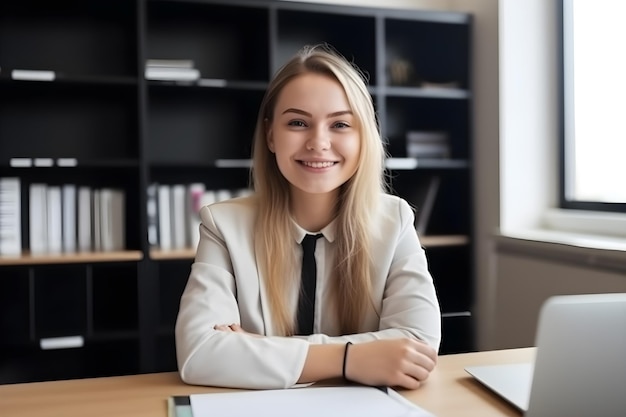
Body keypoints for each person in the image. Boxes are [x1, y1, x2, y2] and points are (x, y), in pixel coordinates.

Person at [175, 44, 441, 390]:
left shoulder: (395, 220)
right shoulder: (223, 225)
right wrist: (351, 359)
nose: (318, 142)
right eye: (298, 122)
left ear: (363, 137)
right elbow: (199, 355)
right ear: (271, 135)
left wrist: (256, 349)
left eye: (340, 124)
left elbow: (417, 348)